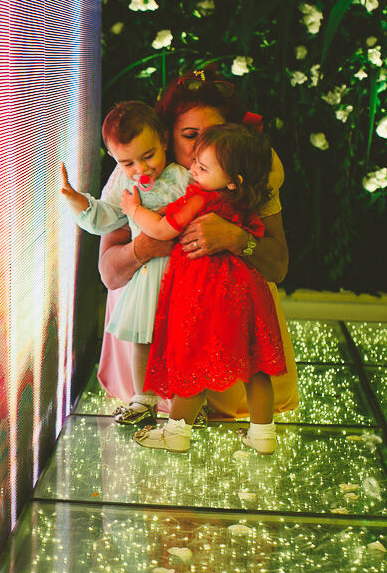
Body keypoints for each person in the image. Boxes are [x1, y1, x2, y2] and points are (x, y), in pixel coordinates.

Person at [95, 65, 298, 421]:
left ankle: (230, 408)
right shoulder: (140, 171)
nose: (202, 146)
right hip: (147, 327)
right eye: (190, 135)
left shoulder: (245, 177)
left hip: (222, 336)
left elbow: (278, 266)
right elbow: (109, 274)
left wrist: (237, 239)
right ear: (165, 137)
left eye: (215, 134)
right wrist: (149, 244)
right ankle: (147, 397)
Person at [123, 123, 286, 454]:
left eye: (202, 166)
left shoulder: (200, 200)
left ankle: (176, 433)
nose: (193, 169)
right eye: (195, 161)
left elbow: (162, 228)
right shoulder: (244, 201)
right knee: (254, 365)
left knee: (195, 362)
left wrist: (132, 209)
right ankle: (263, 434)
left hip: (207, 293)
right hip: (248, 290)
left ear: (231, 180)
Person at [60, 102, 191, 427]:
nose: (140, 169)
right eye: (127, 161)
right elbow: (107, 218)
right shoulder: (123, 180)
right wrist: (82, 205)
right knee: (141, 336)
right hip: (146, 273)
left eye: (148, 156)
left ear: (163, 140)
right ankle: (142, 396)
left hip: (180, 271)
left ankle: (187, 401)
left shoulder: (180, 176)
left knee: (181, 338)